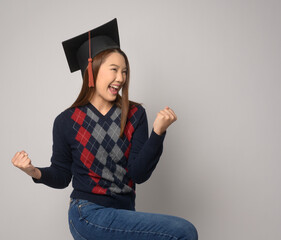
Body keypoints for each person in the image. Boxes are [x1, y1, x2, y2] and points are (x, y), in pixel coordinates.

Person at [11, 18, 198, 240]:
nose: (121, 78)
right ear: (91, 70)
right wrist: (33, 171)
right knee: (183, 232)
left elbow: (138, 174)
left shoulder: (135, 114)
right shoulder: (66, 121)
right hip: (87, 213)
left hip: (123, 214)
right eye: (114, 70)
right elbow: (62, 176)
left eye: (125, 71)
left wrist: (157, 133)